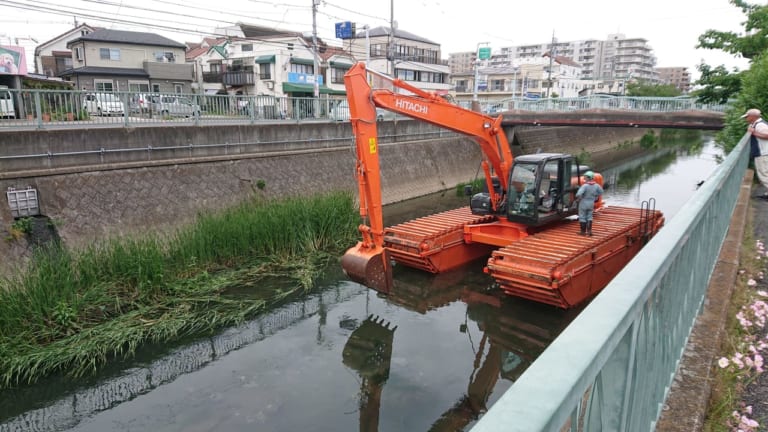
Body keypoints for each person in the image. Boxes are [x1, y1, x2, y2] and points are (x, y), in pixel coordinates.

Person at [743, 108, 768, 199]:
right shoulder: (758, 124)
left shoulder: (760, 125)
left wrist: (753, 132)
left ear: (752, 117)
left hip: (762, 153)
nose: (746, 118)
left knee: (763, 174)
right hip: (763, 153)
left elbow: (767, 135)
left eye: (747, 116)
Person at [575, 171, 603, 236]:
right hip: (591, 203)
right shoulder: (597, 186)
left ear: (588, 177)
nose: (584, 178)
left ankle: (583, 232)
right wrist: (595, 196)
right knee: (589, 217)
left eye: (585, 177)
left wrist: (578, 198)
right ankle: (589, 232)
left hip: (583, 203)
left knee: (582, 217)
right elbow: (601, 192)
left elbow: (578, 194)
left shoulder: (585, 186)